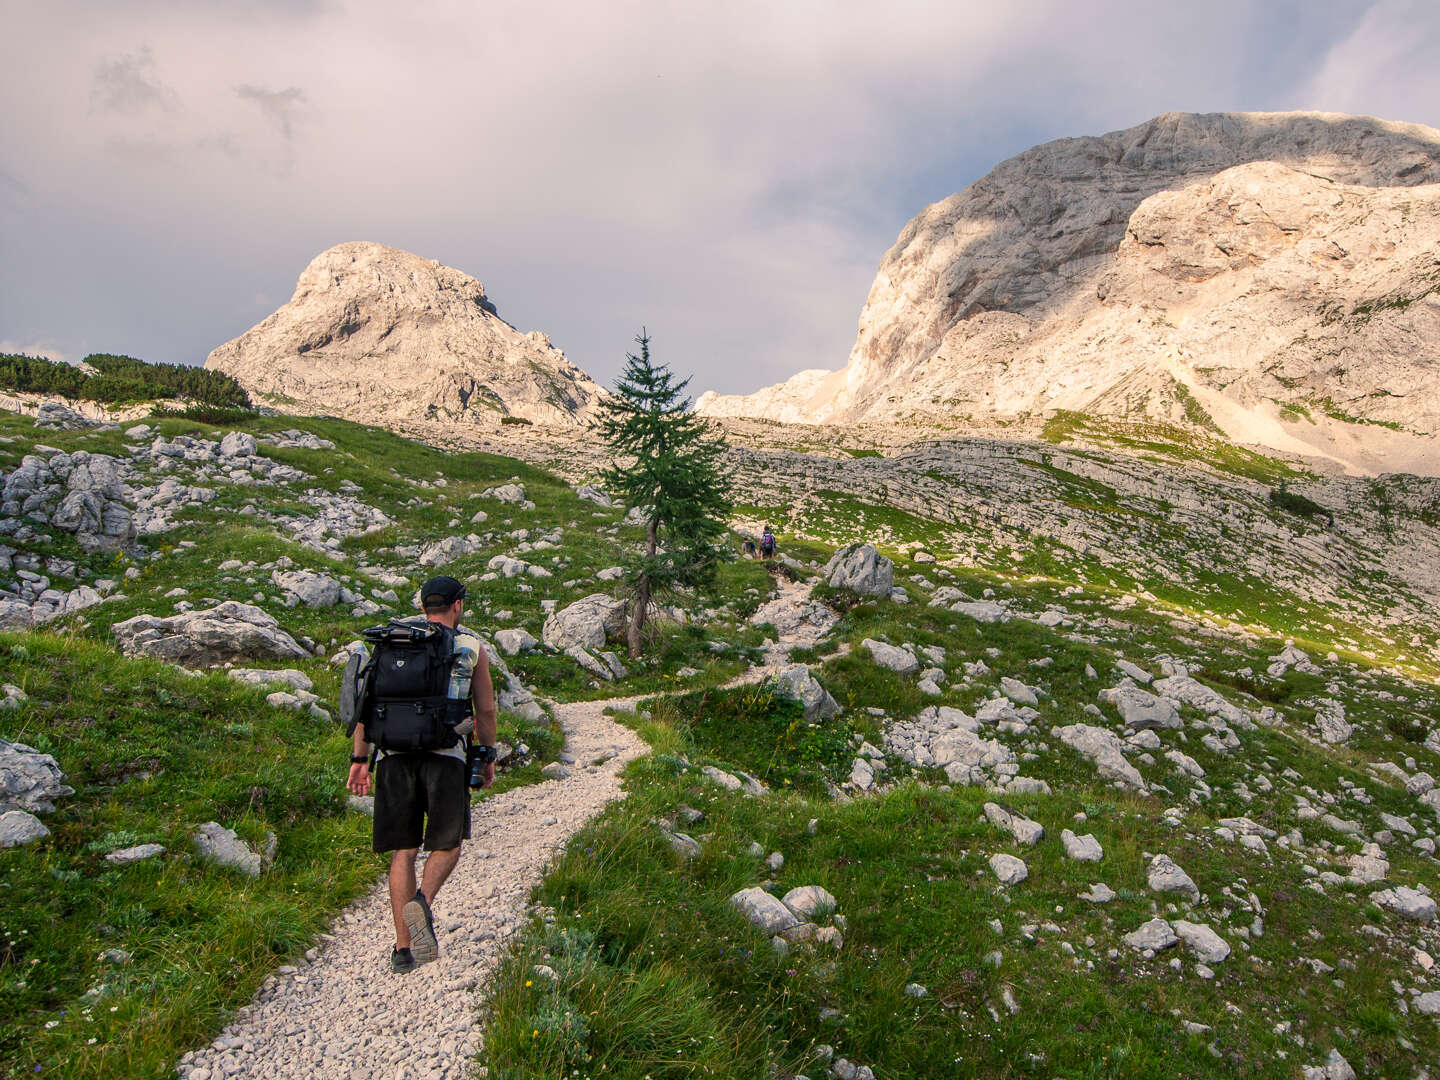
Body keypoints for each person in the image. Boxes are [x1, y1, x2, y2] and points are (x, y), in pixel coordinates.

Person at [346, 575, 498, 973]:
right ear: (458, 606)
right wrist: (487, 756)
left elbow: (366, 706)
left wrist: (359, 761)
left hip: (393, 756)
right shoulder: (469, 647)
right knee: (447, 843)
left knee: (404, 850)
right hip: (445, 755)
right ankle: (423, 902)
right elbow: (485, 710)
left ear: (423, 604)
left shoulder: (391, 642)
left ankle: (403, 950)